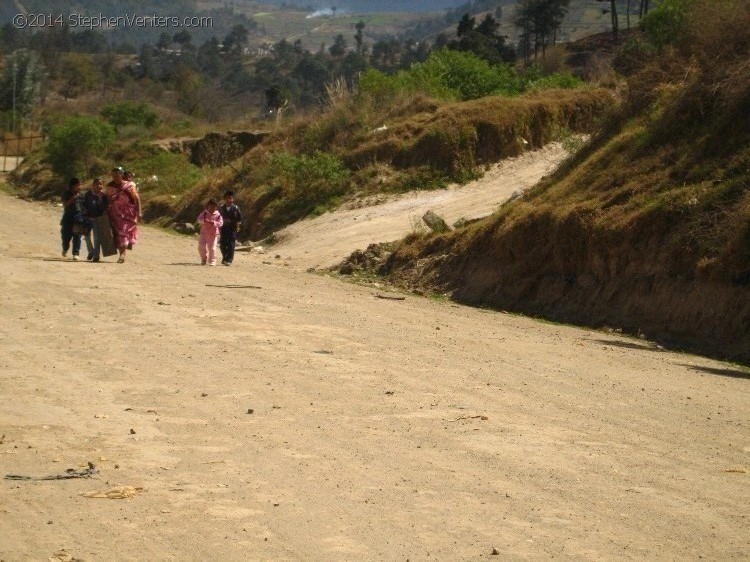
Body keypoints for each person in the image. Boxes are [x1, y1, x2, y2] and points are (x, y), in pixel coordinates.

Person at [106, 166, 142, 264]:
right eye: (113, 176)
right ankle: (121, 252)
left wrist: (139, 212)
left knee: (123, 232)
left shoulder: (129, 185)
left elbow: (136, 199)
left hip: (128, 214)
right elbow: (107, 199)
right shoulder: (110, 187)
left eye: (117, 176)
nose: (115, 178)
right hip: (114, 213)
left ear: (121, 175)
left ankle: (122, 254)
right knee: (117, 233)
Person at [82, 177, 109, 262]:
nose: (99, 185)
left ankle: (96, 256)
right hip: (88, 218)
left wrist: (100, 199)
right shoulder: (88, 194)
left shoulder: (104, 196)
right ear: (93, 185)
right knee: (86, 236)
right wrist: (84, 211)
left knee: (97, 238)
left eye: (100, 184)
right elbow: (83, 204)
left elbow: (104, 208)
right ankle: (91, 251)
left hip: (98, 219)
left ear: (103, 185)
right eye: (97, 184)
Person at [60, 177, 83, 260]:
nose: (80, 187)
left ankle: (76, 253)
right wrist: (73, 198)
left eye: (80, 185)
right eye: (78, 185)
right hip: (68, 217)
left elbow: (84, 206)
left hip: (78, 218)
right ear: (73, 186)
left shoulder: (81, 194)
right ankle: (65, 248)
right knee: (66, 236)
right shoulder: (66, 193)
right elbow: (65, 205)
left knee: (77, 235)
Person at [219, 190, 243, 266]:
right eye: (228, 198)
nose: (229, 199)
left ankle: (229, 259)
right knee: (222, 244)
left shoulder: (235, 208)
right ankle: (225, 257)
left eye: (231, 198)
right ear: (225, 199)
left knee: (231, 244)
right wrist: (223, 221)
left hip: (232, 229)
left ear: (233, 199)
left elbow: (240, 218)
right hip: (224, 229)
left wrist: (232, 221)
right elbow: (218, 217)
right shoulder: (221, 208)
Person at [198, 199, 223, 266]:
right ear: (208, 206)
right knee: (201, 247)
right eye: (211, 206)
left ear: (216, 207)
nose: (212, 207)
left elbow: (221, 223)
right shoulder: (204, 213)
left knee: (212, 248)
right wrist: (204, 221)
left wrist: (213, 223)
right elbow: (199, 219)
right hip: (203, 233)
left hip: (213, 234)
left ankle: (212, 261)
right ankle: (203, 258)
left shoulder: (218, 215)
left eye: (214, 206)